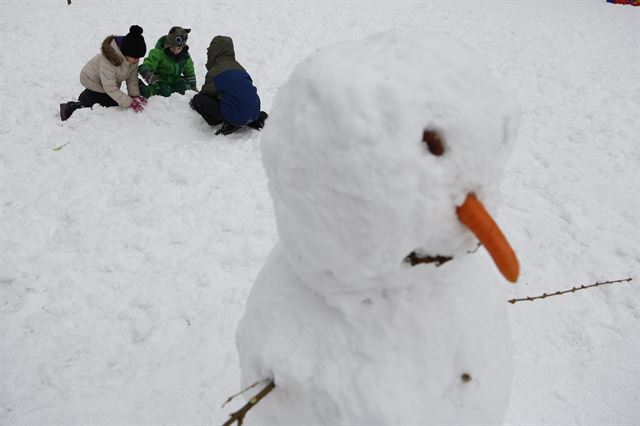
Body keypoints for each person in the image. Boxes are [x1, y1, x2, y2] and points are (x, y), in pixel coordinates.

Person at [59, 25, 148, 121]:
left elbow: (132, 78)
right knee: (109, 103)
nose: (137, 60)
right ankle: (73, 106)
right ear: (125, 53)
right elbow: (110, 88)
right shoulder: (109, 61)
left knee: (113, 99)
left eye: (139, 58)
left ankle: (91, 96)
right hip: (90, 79)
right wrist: (130, 102)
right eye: (135, 58)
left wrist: (134, 96)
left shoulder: (132, 57)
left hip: (105, 80)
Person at [190, 35, 267, 135]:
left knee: (198, 99)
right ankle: (254, 119)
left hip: (235, 115)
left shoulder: (215, 72)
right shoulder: (240, 68)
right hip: (254, 111)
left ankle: (231, 121)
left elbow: (206, 93)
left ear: (214, 52)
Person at [138, 26, 197, 98]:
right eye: (172, 48)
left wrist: (193, 87)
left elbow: (190, 72)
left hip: (175, 80)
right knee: (164, 91)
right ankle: (142, 88)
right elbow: (148, 65)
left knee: (182, 89)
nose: (175, 51)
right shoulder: (158, 53)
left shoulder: (185, 56)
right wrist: (149, 75)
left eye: (179, 49)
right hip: (159, 80)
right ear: (167, 44)